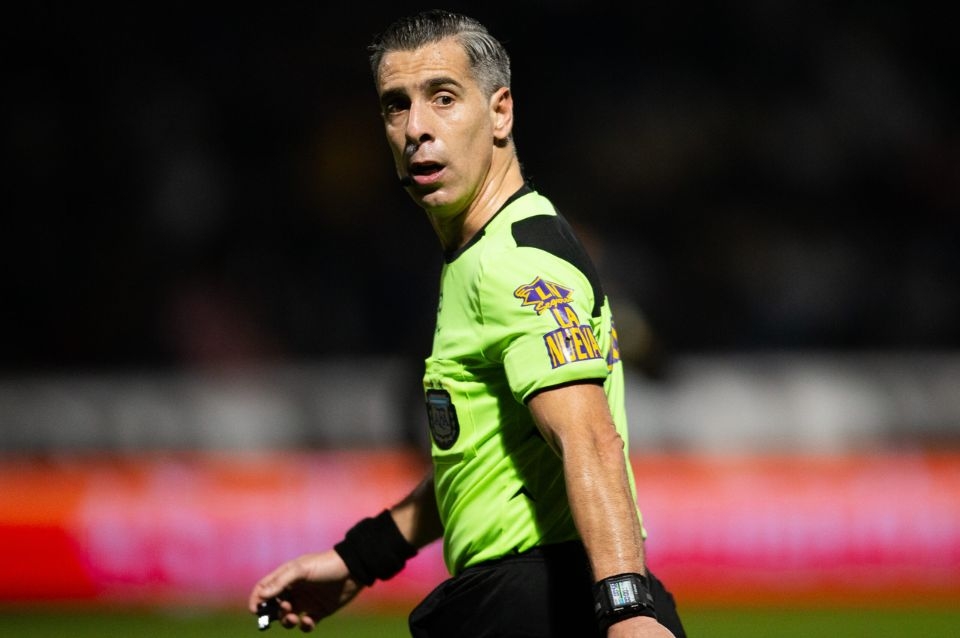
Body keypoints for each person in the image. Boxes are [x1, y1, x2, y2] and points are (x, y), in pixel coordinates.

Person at [248, 10, 686, 637]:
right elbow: (484, 460)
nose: (415, 129)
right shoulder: (490, 248)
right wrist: (362, 557)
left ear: (500, 112)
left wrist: (627, 609)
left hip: (538, 605)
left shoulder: (512, 264)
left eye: (443, 98)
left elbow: (589, 438)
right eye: (396, 106)